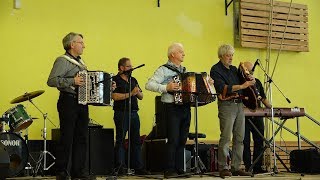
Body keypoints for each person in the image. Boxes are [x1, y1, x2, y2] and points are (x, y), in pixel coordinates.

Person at [47, 32, 91, 180]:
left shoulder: (81, 62)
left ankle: (78, 172)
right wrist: (72, 81)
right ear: (72, 45)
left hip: (82, 102)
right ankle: (61, 171)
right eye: (81, 42)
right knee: (67, 137)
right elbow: (52, 80)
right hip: (68, 101)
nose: (84, 45)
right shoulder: (62, 60)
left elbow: (86, 83)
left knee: (82, 138)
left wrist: (107, 86)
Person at [145, 43, 191, 178]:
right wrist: (166, 87)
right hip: (171, 107)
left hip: (185, 107)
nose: (184, 54)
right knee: (173, 139)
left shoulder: (184, 71)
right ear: (173, 54)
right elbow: (149, 85)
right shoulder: (163, 70)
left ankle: (179, 168)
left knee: (182, 139)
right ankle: (169, 169)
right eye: (181, 52)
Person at [210, 44, 254, 178]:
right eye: (228, 55)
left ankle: (236, 167)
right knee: (226, 137)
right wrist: (242, 85)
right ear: (221, 56)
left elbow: (244, 82)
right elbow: (222, 87)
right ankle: (223, 167)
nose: (231, 58)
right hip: (227, 105)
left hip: (239, 105)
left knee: (240, 138)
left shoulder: (235, 69)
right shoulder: (215, 69)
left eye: (232, 55)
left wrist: (249, 78)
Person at [112, 57, 148, 175]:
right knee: (121, 140)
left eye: (131, 66)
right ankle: (120, 167)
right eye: (128, 66)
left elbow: (141, 96)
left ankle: (137, 167)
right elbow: (114, 96)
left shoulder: (133, 79)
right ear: (121, 68)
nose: (131, 68)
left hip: (134, 113)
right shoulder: (115, 80)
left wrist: (137, 92)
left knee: (136, 141)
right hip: (121, 113)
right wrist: (130, 93)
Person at [242, 61, 272, 174]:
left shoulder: (257, 82)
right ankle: (248, 167)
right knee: (245, 142)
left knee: (259, 141)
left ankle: (257, 167)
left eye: (251, 71)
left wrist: (272, 108)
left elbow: (263, 98)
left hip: (258, 115)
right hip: (244, 116)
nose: (250, 73)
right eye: (248, 71)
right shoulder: (241, 82)